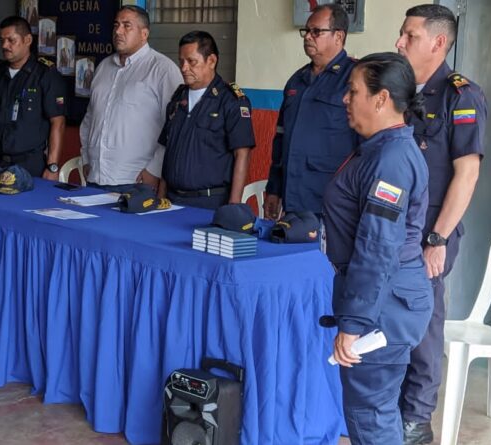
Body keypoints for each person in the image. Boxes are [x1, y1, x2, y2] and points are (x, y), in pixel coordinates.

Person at [325, 52, 432, 445]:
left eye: (353, 91)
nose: (345, 99)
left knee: (370, 416)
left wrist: (355, 324)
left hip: (384, 308)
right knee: (370, 412)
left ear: (381, 98)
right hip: (383, 299)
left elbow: (376, 246)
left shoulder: (391, 159)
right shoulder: (379, 148)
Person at [395, 5, 487, 444]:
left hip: (430, 234)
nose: (399, 43)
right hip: (393, 230)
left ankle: (415, 421)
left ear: (438, 42)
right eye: (401, 34)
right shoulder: (401, 93)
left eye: (409, 36)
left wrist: (438, 239)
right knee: (392, 321)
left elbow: (466, 173)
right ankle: (389, 412)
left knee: (422, 327)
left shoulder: (459, 95)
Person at [265, 3, 359, 218]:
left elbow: (366, 143)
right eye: (307, 31)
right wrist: (274, 188)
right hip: (293, 197)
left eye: (317, 31)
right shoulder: (297, 81)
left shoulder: (355, 78)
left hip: (334, 201)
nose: (308, 36)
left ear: (338, 36)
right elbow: (281, 139)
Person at [79, 5, 182, 193]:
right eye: (116, 25)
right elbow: (89, 119)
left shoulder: (162, 69)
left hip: (135, 179)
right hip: (96, 176)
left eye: (127, 26)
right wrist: (87, 158)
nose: (118, 31)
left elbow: (174, 126)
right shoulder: (103, 67)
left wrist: (154, 170)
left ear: (144, 34)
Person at [158, 31, 255, 209]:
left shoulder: (231, 100)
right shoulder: (178, 98)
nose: (184, 68)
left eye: (191, 61)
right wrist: (160, 196)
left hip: (208, 202)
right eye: (181, 61)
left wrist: (233, 205)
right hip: (171, 201)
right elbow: (168, 150)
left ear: (211, 61)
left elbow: (242, 154)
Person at [0, 16, 66, 179]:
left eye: (11, 40)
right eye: (2, 40)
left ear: (27, 40)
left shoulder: (45, 74)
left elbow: (58, 122)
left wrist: (52, 166)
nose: (5, 46)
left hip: (30, 164)